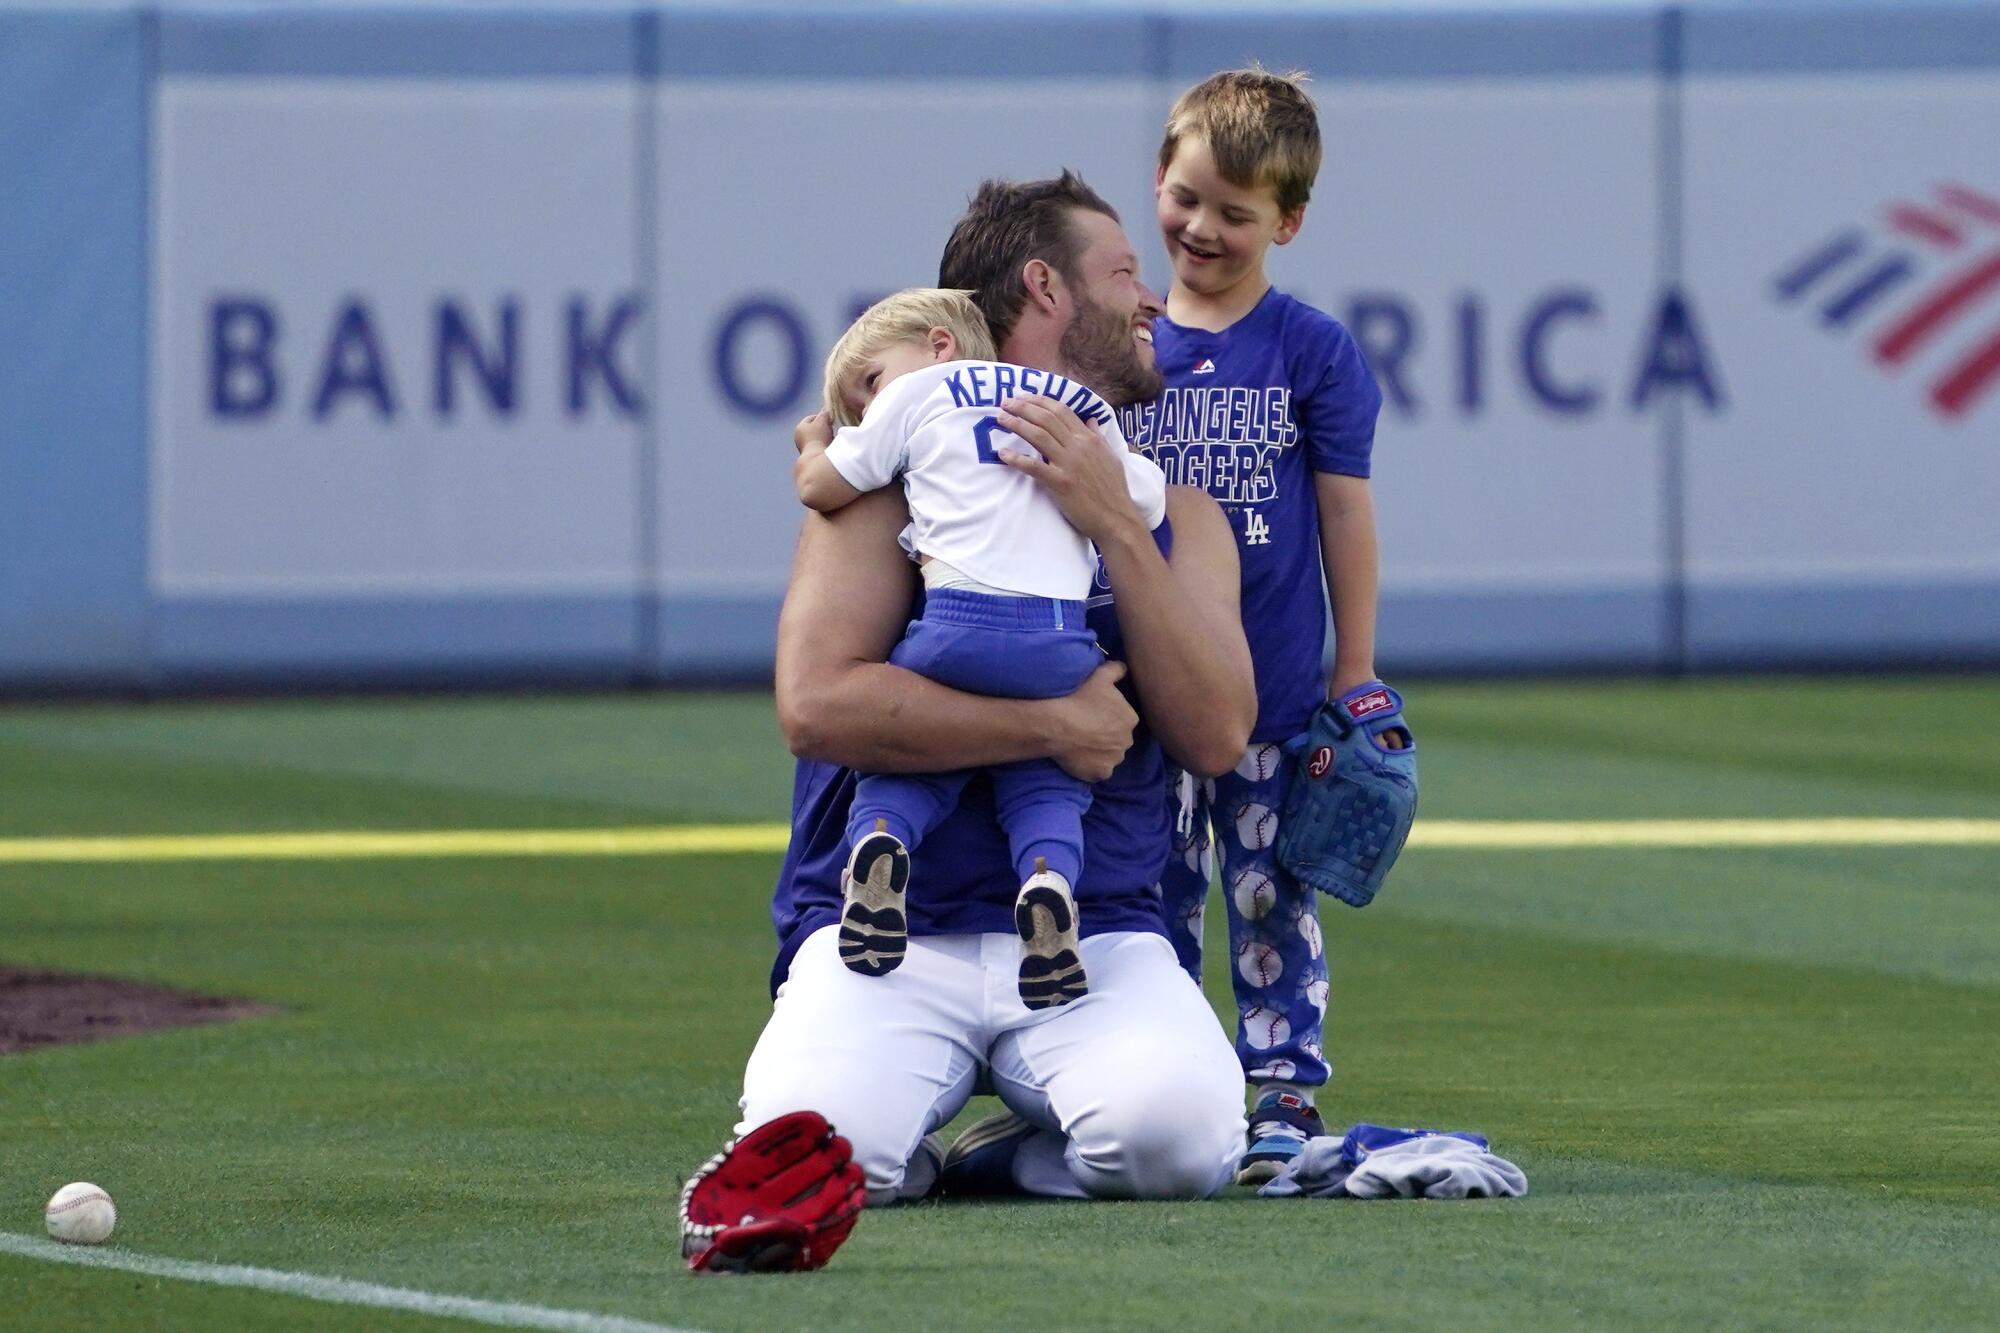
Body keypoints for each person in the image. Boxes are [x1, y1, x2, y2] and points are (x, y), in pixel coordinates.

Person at [736, 172, 1257, 1204]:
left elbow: (1215, 732)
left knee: (1182, 1143)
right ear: (1044, 289)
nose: (1150, 299)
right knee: (818, 1156)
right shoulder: (892, 472)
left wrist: (1112, 520)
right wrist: (1050, 722)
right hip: (887, 929)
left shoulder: (1172, 513)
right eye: (1121, 273)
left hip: (1090, 929)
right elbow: (814, 705)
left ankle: (1003, 1161)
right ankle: (909, 1152)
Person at [1118, 69, 1391, 1183]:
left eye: (1236, 212)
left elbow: (1343, 510)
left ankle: (1281, 1093)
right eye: (1187, 198)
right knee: (1151, 894)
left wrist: (1357, 671)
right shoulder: (1121, 345)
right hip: (1143, 692)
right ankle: (1174, 1081)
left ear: (1287, 221)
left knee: (1271, 894)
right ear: (1156, 182)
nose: (1202, 228)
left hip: (1273, 687)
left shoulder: (1309, 348)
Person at [792, 287, 1167, 1010]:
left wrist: (816, 441)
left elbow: (822, 484)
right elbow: (1144, 500)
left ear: (940, 346)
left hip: (955, 623)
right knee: (1049, 782)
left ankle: (880, 843)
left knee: (908, 759)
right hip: (1059, 642)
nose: (866, 410)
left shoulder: (921, 393)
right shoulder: (1071, 402)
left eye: (868, 384)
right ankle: (1050, 884)